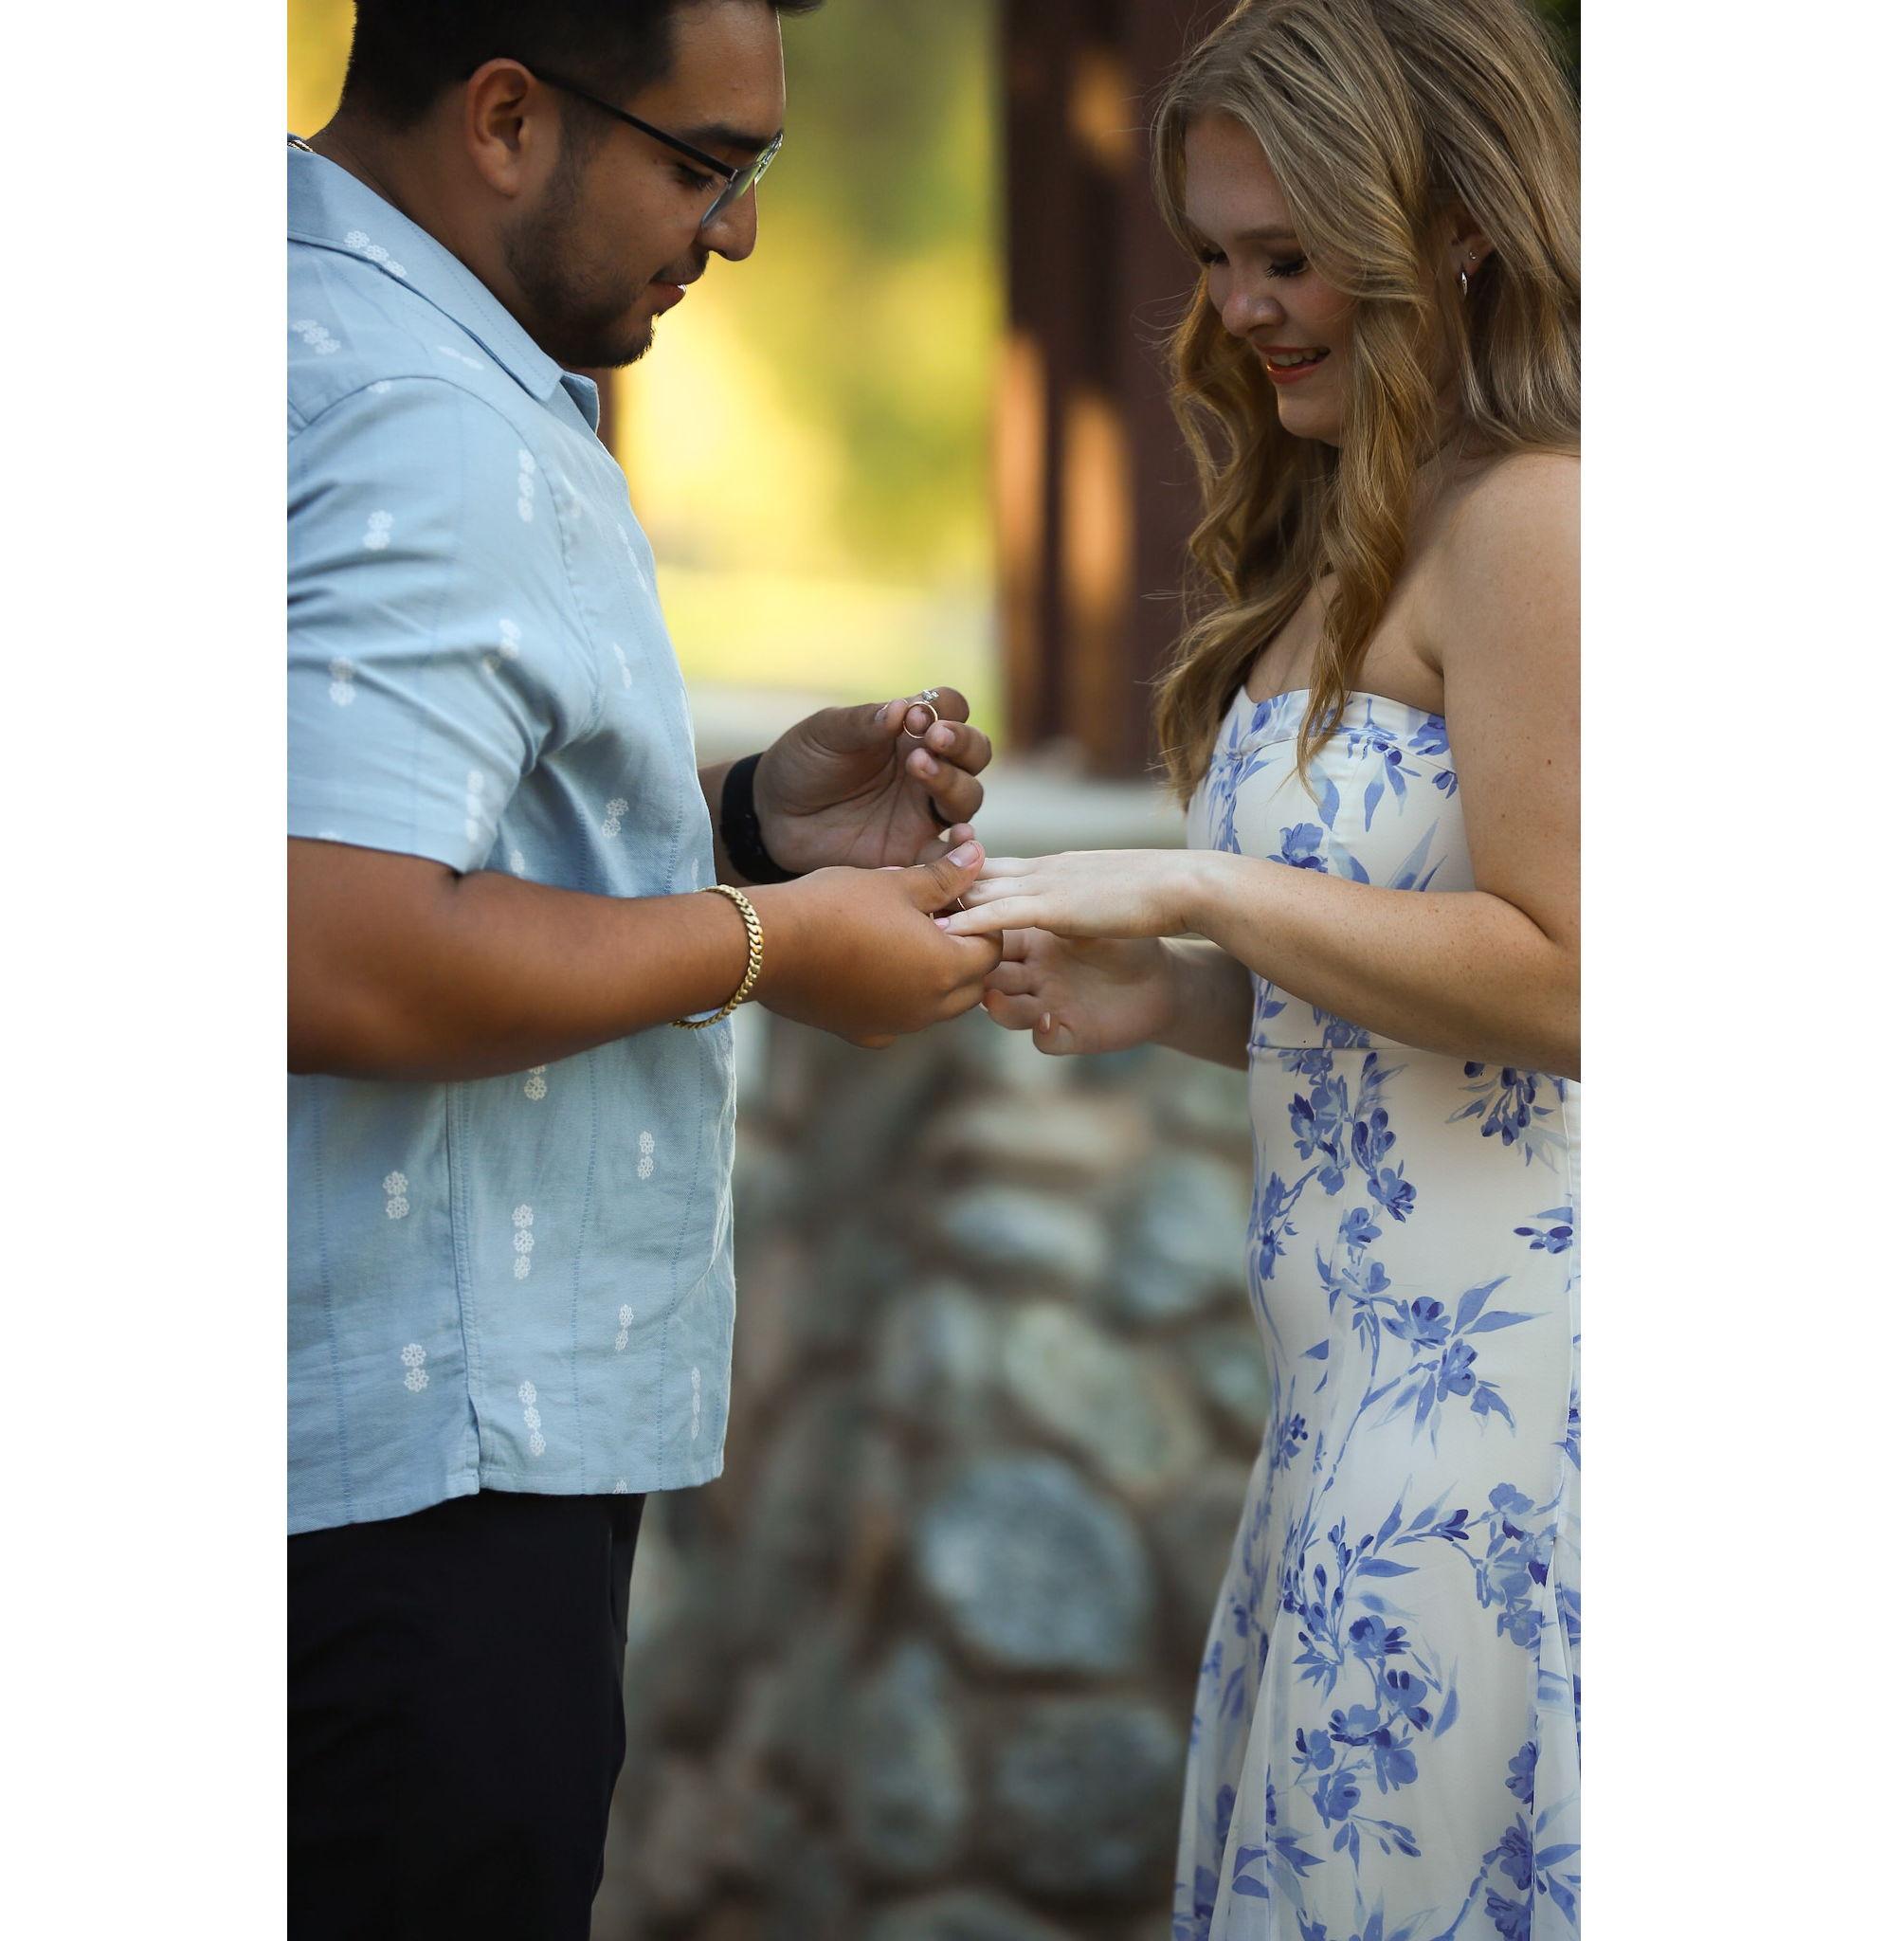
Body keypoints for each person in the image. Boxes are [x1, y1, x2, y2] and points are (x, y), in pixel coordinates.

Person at [286, 2, 1002, 1933]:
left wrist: (750, 819)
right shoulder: (423, 416)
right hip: (409, 1497)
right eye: (704, 165)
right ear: (506, 117)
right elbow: (328, 945)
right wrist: (773, 944)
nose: (739, 231)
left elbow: (381, 835)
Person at [950, 1, 1580, 1934]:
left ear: (1451, 229)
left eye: (1287, 254)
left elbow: (1574, 982)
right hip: (1343, 1412)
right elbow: (1404, 999)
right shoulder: (1354, 524)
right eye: (1215, 257)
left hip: (1506, 1428)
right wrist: (1165, 994)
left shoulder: (1536, 518)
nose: (1238, 310)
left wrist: (1202, 890)